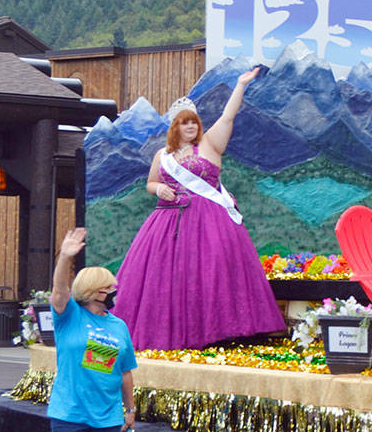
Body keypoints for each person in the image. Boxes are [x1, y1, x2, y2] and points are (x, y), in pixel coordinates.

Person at [113, 68, 285, 350]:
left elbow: (228, 116)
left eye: (194, 121)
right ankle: (164, 333)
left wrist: (240, 86)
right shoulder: (163, 155)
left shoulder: (210, 144)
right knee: (166, 279)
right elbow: (151, 182)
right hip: (168, 223)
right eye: (185, 123)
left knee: (210, 273)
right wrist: (159, 189)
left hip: (210, 222)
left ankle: (219, 332)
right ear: (175, 127)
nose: (191, 126)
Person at [47, 228, 138, 432]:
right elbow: (59, 290)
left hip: (107, 415)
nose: (114, 292)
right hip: (70, 412)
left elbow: (124, 373)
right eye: (108, 288)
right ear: (93, 292)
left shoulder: (118, 326)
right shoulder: (69, 316)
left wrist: (130, 409)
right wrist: (65, 256)